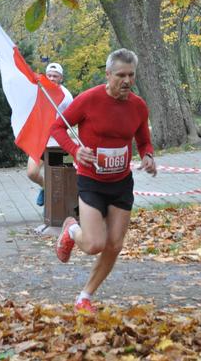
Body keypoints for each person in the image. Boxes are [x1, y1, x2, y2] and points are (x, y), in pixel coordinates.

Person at [49, 48, 157, 313]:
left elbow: (143, 139)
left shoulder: (138, 105)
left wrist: (148, 156)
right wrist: (75, 151)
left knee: (115, 245)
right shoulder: (89, 100)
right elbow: (57, 127)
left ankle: (84, 297)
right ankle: (71, 230)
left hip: (121, 183)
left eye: (131, 75)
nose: (127, 81)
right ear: (108, 75)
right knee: (95, 244)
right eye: (121, 75)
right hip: (91, 181)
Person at [27, 62, 74, 206]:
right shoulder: (39, 91)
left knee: (62, 177)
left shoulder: (66, 96)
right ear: (45, 76)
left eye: (56, 76)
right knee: (32, 173)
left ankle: (62, 210)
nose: (52, 78)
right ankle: (45, 188)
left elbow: (72, 119)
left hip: (59, 143)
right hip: (41, 140)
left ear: (61, 78)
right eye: (50, 75)